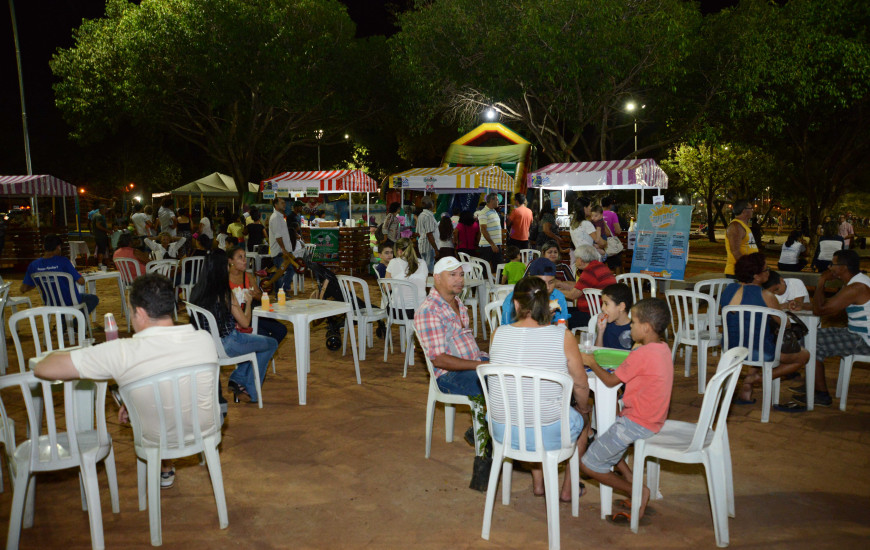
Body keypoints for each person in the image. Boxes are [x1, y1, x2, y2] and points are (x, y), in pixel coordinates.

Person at [33, 272, 219, 489]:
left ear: (139, 313)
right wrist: (133, 400)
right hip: (204, 430)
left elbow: (43, 368)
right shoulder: (204, 340)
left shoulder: (121, 352)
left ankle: (163, 464)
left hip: (156, 438)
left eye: (130, 312)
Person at [488, 276, 591, 502]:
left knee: (527, 407)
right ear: (547, 304)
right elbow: (581, 384)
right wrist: (584, 411)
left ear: (516, 304)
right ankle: (567, 490)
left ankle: (538, 484)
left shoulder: (498, 334)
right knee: (582, 420)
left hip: (502, 430)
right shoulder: (563, 337)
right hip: (547, 433)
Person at [579, 298, 673, 523]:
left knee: (588, 464)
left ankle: (637, 492)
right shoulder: (662, 348)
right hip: (653, 418)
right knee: (605, 440)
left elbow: (611, 381)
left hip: (637, 422)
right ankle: (635, 484)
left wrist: (591, 363)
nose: (630, 327)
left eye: (634, 323)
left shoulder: (641, 354)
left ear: (646, 328)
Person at [720, 253, 809, 407]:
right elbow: (785, 323)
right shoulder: (766, 295)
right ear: (756, 276)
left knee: (755, 338)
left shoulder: (728, 289)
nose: (769, 271)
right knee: (804, 355)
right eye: (766, 269)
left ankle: (746, 391)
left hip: (731, 346)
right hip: (759, 349)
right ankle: (756, 379)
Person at [190, 249, 277, 404]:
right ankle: (246, 385)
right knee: (271, 343)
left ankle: (240, 381)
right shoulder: (224, 292)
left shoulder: (196, 290)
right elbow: (244, 322)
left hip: (205, 345)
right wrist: (248, 303)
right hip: (227, 344)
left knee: (251, 345)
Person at [790, 249, 870, 408]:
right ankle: (814, 384)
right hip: (855, 333)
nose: (829, 268)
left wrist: (821, 282)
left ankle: (822, 395)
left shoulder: (856, 287)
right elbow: (831, 305)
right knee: (811, 336)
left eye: (832, 264)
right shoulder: (855, 282)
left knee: (812, 342)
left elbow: (821, 310)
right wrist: (803, 305)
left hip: (864, 340)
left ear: (843, 267)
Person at [414, 256, 486, 398]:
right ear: (437, 278)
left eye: (461, 275)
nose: (459, 279)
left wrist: (483, 362)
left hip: (473, 363)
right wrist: (478, 365)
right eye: (452, 275)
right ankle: (494, 419)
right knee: (498, 388)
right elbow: (439, 359)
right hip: (449, 375)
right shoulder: (429, 310)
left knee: (512, 375)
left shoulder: (457, 302)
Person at [21, 233, 100, 315]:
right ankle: (76, 323)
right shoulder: (63, 261)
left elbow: (23, 289)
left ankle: (63, 324)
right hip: (69, 300)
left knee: (60, 300)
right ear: (58, 247)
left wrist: (41, 282)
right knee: (93, 299)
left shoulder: (34, 265)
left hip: (50, 302)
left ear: (43, 247)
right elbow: (81, 281)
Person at [227, 246, 287, 346]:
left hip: (252, 313)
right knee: (264, 336)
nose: (244, 260)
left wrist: (254, 295)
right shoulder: (225, 279)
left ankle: (262, 355)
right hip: (237, 318)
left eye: (245, 257)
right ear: (231, 261)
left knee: (281, 329)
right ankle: (261, 354)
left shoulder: (248, 277)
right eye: (240, 257)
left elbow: (260, 297)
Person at [557, 245, 617, 330]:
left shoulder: (590, 270)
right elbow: (579, 286)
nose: (575, 261)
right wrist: (561, 284)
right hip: (601, 311)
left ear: (581, 260)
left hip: (593, 314)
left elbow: (573, 295)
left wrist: (554, 290)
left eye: (576, 258)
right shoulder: (599, 266)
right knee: (560, 310)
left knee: (557, 316)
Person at [500, 258, 569, 326]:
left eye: (551, 282)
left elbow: (562, 326)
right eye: (542, 283)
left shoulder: (558, 297)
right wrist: (543, 319)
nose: (547, 287)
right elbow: (507, 329)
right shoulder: (516, 298)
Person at [386, 237, 428, 312]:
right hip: (420, 311)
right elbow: (424, 285)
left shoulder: (393, 262)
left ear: (399, 250)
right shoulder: (423, 263)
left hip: (398, 311)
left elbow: (387, 288)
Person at [724, 199, 758, 278]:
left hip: (746, 271)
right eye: (751, 208)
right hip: (738, 273)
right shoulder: (736, 226)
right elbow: (735, 252)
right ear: (744, 211)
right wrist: (748, 268)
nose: (752, 211)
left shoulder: (743, 226)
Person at [595, 283, 633, 350]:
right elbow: (597, 352)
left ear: (621, 307)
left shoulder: (635, 329)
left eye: (606, 304)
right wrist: (600, 331)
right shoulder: (606, 326)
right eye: (602, 304)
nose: (602, 308)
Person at [268, 197, 294, 294]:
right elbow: (278, 236)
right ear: (276, 205)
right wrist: (283, 249)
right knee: (281, 273)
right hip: (280, 252)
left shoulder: (280, 217)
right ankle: (280, 294)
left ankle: (283, 291)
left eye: (284, 203)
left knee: (290, 270)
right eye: (282, 203)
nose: (284, 204)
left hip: (284, 250)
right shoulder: (275, 218)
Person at [477, 192, 503, 272]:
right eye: (497, 200)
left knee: (498, 268)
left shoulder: (494, 211)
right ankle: (481, 284)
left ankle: (498, 283)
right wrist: (492, 244)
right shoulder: (483, 212)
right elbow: (483, 230)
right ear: (492, 200)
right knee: (484, 269)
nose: (498, 202)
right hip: (487, 246)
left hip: (495, 245)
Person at [601, 196, 623, 273]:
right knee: (617, 264)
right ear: (610, 205)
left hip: (600, 245)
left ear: (601, 204)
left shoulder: (597, 215)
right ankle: (616, 282)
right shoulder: (613, 215)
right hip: (611, 245)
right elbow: (618, 231)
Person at [416, 197, 438, 273]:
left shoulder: (421, 215)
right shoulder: (428, 216)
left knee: (424, 267)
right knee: (429, 269)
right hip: (428, 246)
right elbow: (429, 234)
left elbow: (418, 233)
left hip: (422, 244)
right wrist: (435, 248)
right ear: (431, 206)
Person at [91, 203, 110, 268]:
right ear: (101, 209)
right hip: (101, 236)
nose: (106, 211)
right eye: (105, 209)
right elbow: (98, 225)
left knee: (100, 249)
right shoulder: (99, 216)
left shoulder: (95, 215)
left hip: (97, 235)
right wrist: (107, 231)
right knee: (102, 249)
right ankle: (100, 263)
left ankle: (100, 263)